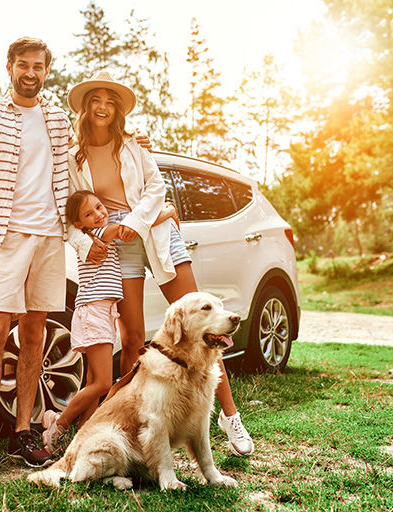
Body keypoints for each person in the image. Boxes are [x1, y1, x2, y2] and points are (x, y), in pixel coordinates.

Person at [64, 70, 255, 457]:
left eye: (110, 102)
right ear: (85, 107)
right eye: (96, 100)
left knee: (205, 324)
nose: (102, 107)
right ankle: (133, 422)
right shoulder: (71, 156)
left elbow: (155, 187)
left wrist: (136, 222)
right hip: (117, 245)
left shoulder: (135, 144)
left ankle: (230, 417)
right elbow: (66, 211)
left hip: (154, 232)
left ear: (118, 110)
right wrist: (87, 243)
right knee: (133, 340)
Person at [0, 37, 70, 481]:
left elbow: (84, 157)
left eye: (38, 66)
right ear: (9, 67)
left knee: (35, 331)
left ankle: (23, 432)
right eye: (22, 65)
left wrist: (137, 140)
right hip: (3, 236)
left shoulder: (58, 119)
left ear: (46, 71)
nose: (30, 72)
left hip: (50, 236)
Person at [41, 190, 179, 454]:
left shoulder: (97, 233)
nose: (98, 215)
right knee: (102, 384)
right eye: (89, 214)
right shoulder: (99, 234)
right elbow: (131, 228)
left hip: (101, 312)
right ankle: (58, 424)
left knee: (93, 383)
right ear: (79, 225)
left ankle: (81, 440)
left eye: (100, 207)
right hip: (94, 312)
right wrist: (168, 212)